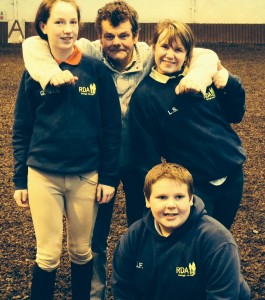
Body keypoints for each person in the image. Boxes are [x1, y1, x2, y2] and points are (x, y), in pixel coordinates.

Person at [21, 2, 220, 299]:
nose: (117, 43)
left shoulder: (151, 57)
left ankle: (143, 291)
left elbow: (203, 54)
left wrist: (198, 78)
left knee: (145, 233)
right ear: (98, 38)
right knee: (93, 239)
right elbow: (34, 44)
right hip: (100, 165)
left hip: (143, 164)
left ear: (136, 36)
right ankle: (94, 293)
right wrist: (50, 72)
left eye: (124, 36)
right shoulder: (89, 53)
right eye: (110, 36)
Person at [12, 0, 121, 299]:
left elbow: (112, 128)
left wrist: (109, 176)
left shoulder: (95, 70)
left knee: (82, 251)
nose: (67, 30)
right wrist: (20, 179)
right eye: (59, 22)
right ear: (44, 26)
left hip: (86, 176)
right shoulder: (33, 73)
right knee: (47, 255)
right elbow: (22, 128)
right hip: (42, 176)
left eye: (72, 22)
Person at [129, 20, 246, 230]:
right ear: (153, 47)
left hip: (232, 175)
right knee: (194, 241)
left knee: (220, 235)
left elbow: (235, 114)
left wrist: (231, 82)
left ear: (187, 54)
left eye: (178, 49)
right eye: (164, 47)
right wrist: (161, 197)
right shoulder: (145, 96)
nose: (170, 55)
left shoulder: (202, 76)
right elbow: (146, 157)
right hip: (194, 185)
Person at [112, 162, 251, 299]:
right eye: (162, 197)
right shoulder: (133, 237)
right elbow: (123, 290)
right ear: (147, 200)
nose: (171, 205)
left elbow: (222, 296)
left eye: (179, 197)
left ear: (191, 199)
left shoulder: (217, 241)